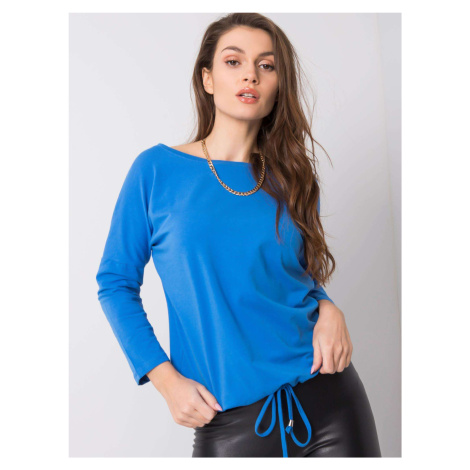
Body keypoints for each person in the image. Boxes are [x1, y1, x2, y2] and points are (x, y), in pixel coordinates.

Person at [96, 13, 382, 458]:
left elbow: (290, 276)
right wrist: (165, 379)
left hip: (330, 402)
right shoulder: (156, 171)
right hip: (230, 422)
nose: (251, 74)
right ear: (207, 79)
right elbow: (115, 282)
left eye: (267, 65)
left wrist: (327, 306)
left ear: (278, 87)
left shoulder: (292, 179)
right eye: (234, 62)